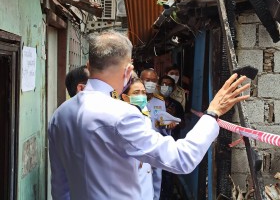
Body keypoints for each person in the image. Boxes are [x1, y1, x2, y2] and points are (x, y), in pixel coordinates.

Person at [48, 30, 250, 200]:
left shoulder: (60, 115)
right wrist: (212, 113)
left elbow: (59, 186)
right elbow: (181, 159)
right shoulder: (121, 114)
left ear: (88, 66)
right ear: (128, 70)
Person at [140, 68, 176, 200]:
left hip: (156, 146)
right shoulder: (135, 99)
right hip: (139, 147)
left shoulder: (159, 101)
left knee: (156, 180)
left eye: (153, 81)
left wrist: (167, 125)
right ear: (140, 80)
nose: (150, 83)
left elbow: (161, 123)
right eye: (147, 80)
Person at [121, 78, 154, 200]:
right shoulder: (121, 119)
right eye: (136, 93)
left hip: (145, 177)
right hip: (128, 180)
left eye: (143, 92)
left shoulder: (144, 113)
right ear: (125, 97)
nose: (141, 96)